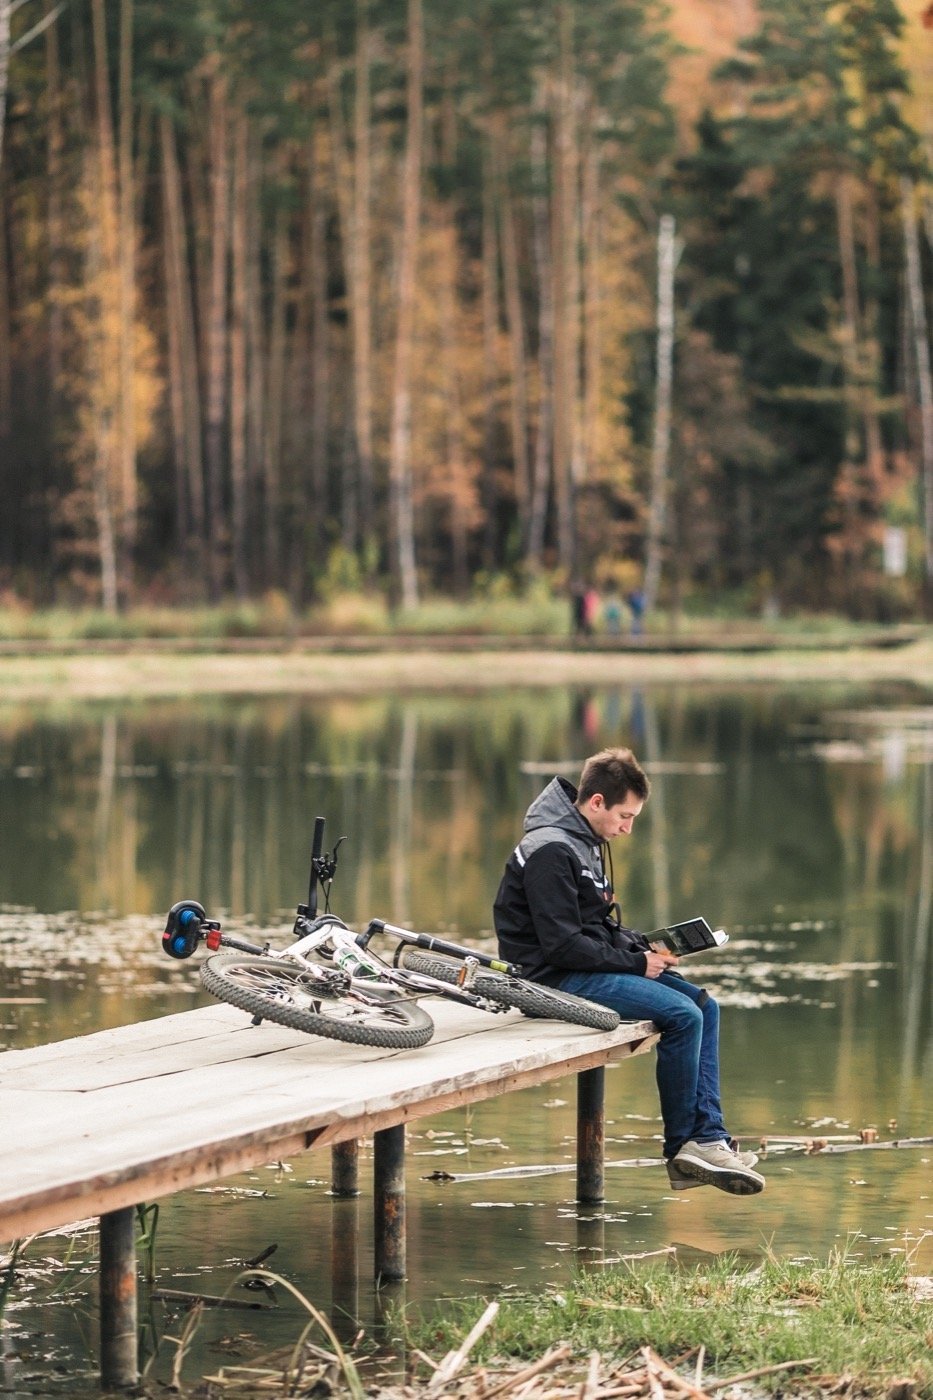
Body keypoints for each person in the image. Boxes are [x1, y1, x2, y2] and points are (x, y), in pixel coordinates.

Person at [493, 747, 764, 1196]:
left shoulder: (582, 842)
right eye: (625, 815)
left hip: (576, 965)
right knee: (684, 1016)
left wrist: (644, 944)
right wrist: (637, 962)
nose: (627, 827)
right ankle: (682, 1147)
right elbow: (561, 946)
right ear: (595, 802)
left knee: (704, 1004)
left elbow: (593, 927)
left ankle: (710, 1137)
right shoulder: (550, 851)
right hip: (548, 979)